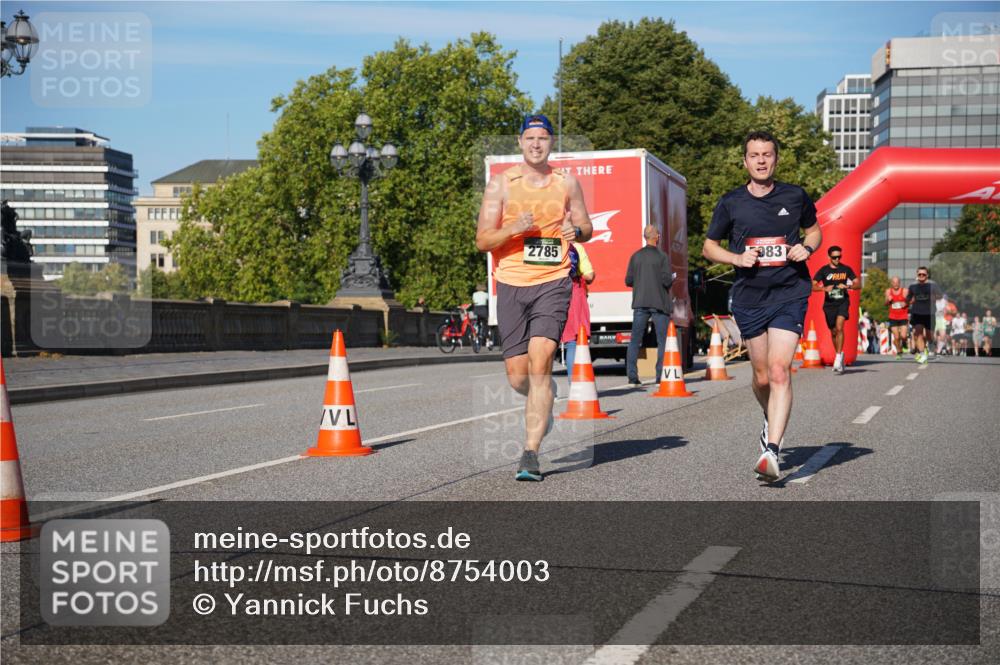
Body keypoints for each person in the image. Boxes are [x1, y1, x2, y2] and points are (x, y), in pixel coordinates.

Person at [476, 113, 593, 482]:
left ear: (551, 142)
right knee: (517, 377)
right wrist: (513, 228)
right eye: (530, 138)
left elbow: (587, 226)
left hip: (553, 280)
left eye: (543, 138)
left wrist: (579, 230)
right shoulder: (501, 185)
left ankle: (530, 454)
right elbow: (483, 241)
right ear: (520, 142)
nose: (536, 144)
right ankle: (544, 398)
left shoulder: (567, 183)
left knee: (541, 360)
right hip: (510, 282)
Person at [702, 130, 821, 483]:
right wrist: (737, 257)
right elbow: (709, 248)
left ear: (776, 159)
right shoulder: (731, 202)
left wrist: (807, 249)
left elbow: (814, 231)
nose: (761, 160)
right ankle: (771, 416)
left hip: (790, 292)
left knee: (780, 370)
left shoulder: (795, 196)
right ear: (745, 161)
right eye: (754, 155)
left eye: (767, 154)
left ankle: (772, 450)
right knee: (762, 376)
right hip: (750, 297)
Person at [625, 225, 674, 387]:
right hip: (659, 303)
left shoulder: (635, 257)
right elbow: (666, 280)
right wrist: (672, 279)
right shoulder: (662, 257)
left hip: (640, 303)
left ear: (645, 237)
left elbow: (628, 281)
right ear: (657, 237)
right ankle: (660, 376)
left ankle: (632, 377)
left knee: (634, 340)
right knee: (662, 341)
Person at [812, 245, 860, 373]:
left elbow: (858, 283)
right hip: (829, 304)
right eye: (834, 257)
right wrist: (823, 289)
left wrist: (847, 285)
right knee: (833, 332)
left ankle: (838, 357)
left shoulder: (846, 269)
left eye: (839, 257)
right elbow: (813, 285)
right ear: (829, 257)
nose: (837, 259)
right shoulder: (823, 271)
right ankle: (839, 354)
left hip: (843, 301)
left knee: (839, 327)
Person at [561, 242, 595, 385]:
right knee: (573, 342)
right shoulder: (576, 247)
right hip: (573, 292)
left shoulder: (542, 243)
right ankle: (574, 385)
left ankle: (543, 386)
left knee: (544, 342)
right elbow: (588, 275)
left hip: (546, 293)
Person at [906, 266, 940, 364]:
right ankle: (922, 353)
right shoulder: (912, 286)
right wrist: (905, 303)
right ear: (917, 275)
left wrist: (934, 296)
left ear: (927, 275)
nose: (921, 276)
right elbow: (908, 298)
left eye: (923, 274)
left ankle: (931, 343)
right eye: (919, 274)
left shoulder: (933, 285)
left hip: (929, 313)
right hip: (917, 313)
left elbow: (940, 295)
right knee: (918, 333)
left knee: (929, 336)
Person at [884, 276, 909, 360]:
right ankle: (899, 352)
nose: (895, 284)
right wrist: (888, 300)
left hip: (903, 316)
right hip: (893, 317)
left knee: (904, 336)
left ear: (899, 283)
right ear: (891, 283)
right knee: (897, 337)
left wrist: (905, 303)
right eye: (894, 282)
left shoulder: (905, 291)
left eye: (897, 282)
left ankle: (905, 342)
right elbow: (885, 304)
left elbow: (911, 300)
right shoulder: (888, 291)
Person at [471, 283, 490, 348]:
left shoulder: (474, 294)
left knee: (476, 323)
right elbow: (488, 301)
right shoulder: (485, 294)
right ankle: (487, 341)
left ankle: (475, 334)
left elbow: (474, 302)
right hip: (483, 310)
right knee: (485, 325)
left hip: (476, 309)